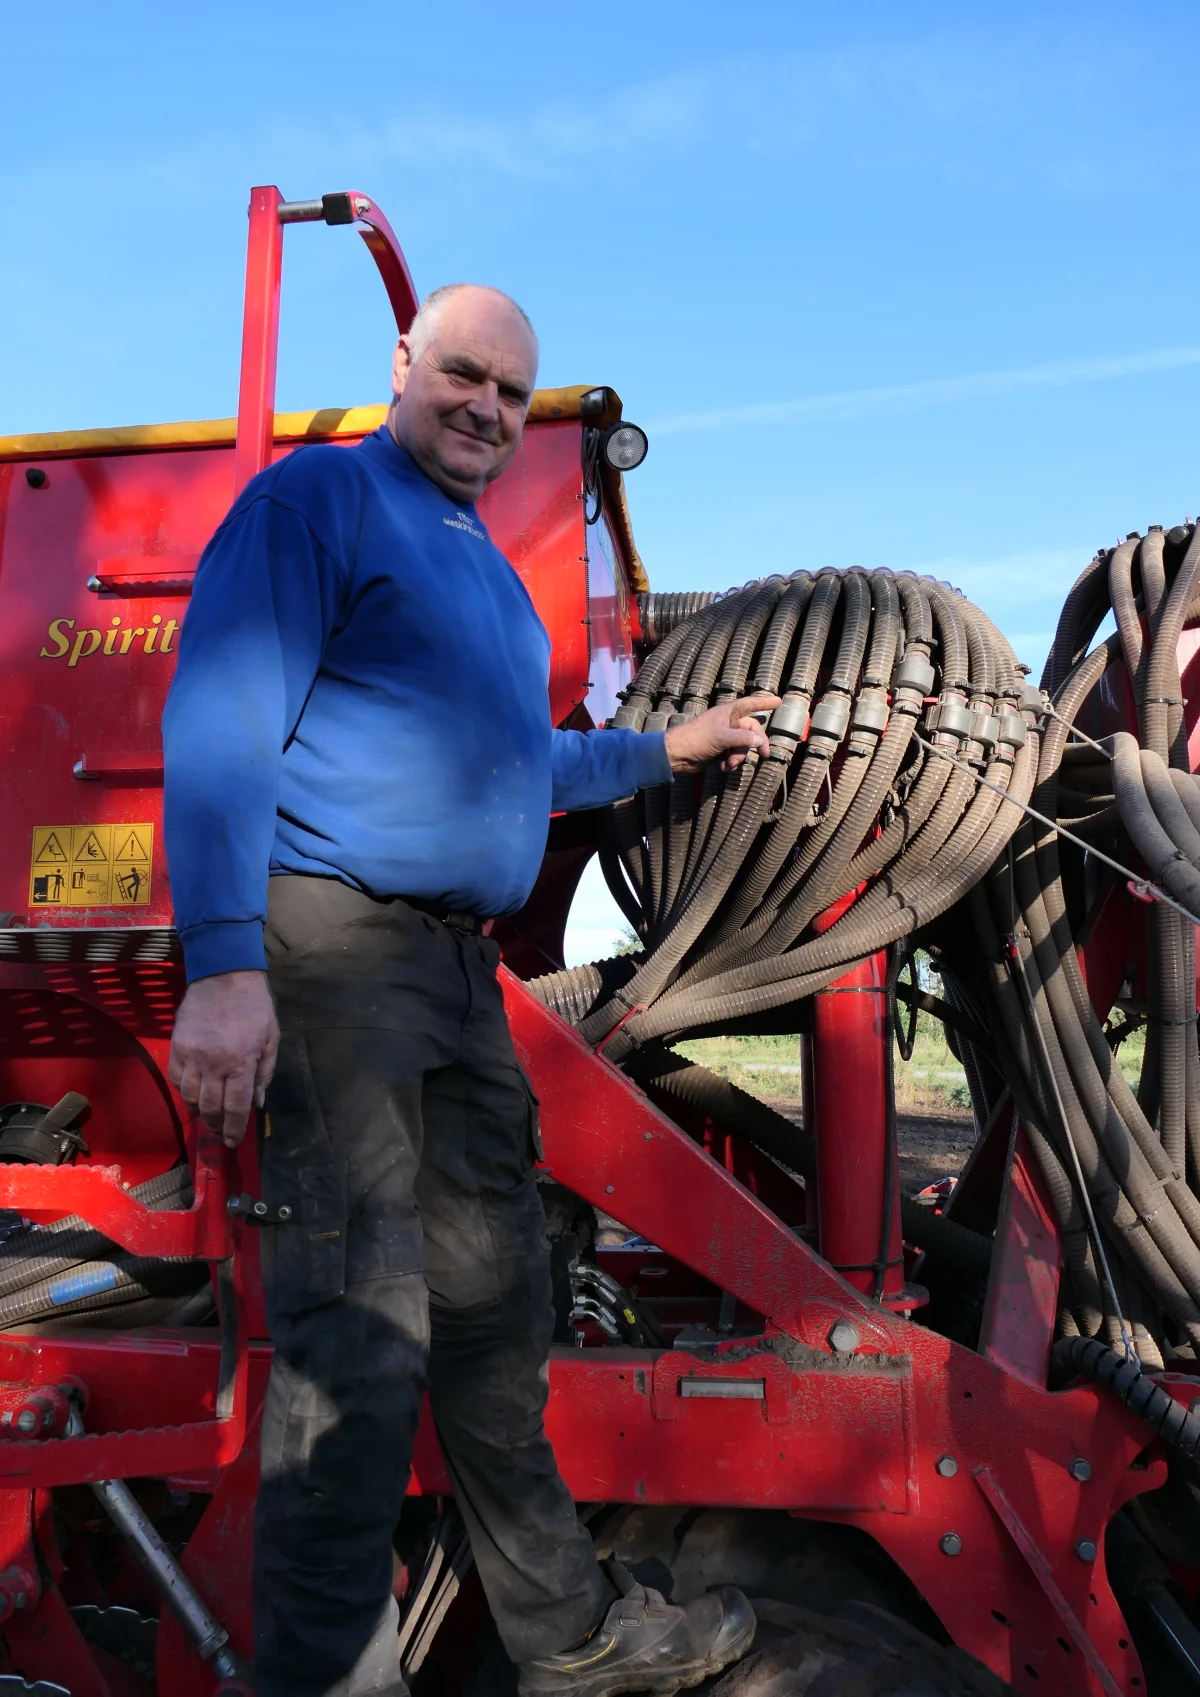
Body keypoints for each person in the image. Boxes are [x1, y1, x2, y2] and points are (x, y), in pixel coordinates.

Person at [163, 283, 775, 1697]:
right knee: (358, 1342)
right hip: (333, 955)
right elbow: (221, 721)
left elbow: (527, 768)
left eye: (509, 392)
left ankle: (564, 1636)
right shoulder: (318, 501)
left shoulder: (488, 578)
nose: (489, 410)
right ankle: (327, 1678)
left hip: (452, 974)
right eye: (463, 376)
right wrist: (222, 968)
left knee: (500, 1317)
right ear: (401, 365)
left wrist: (665, 749)